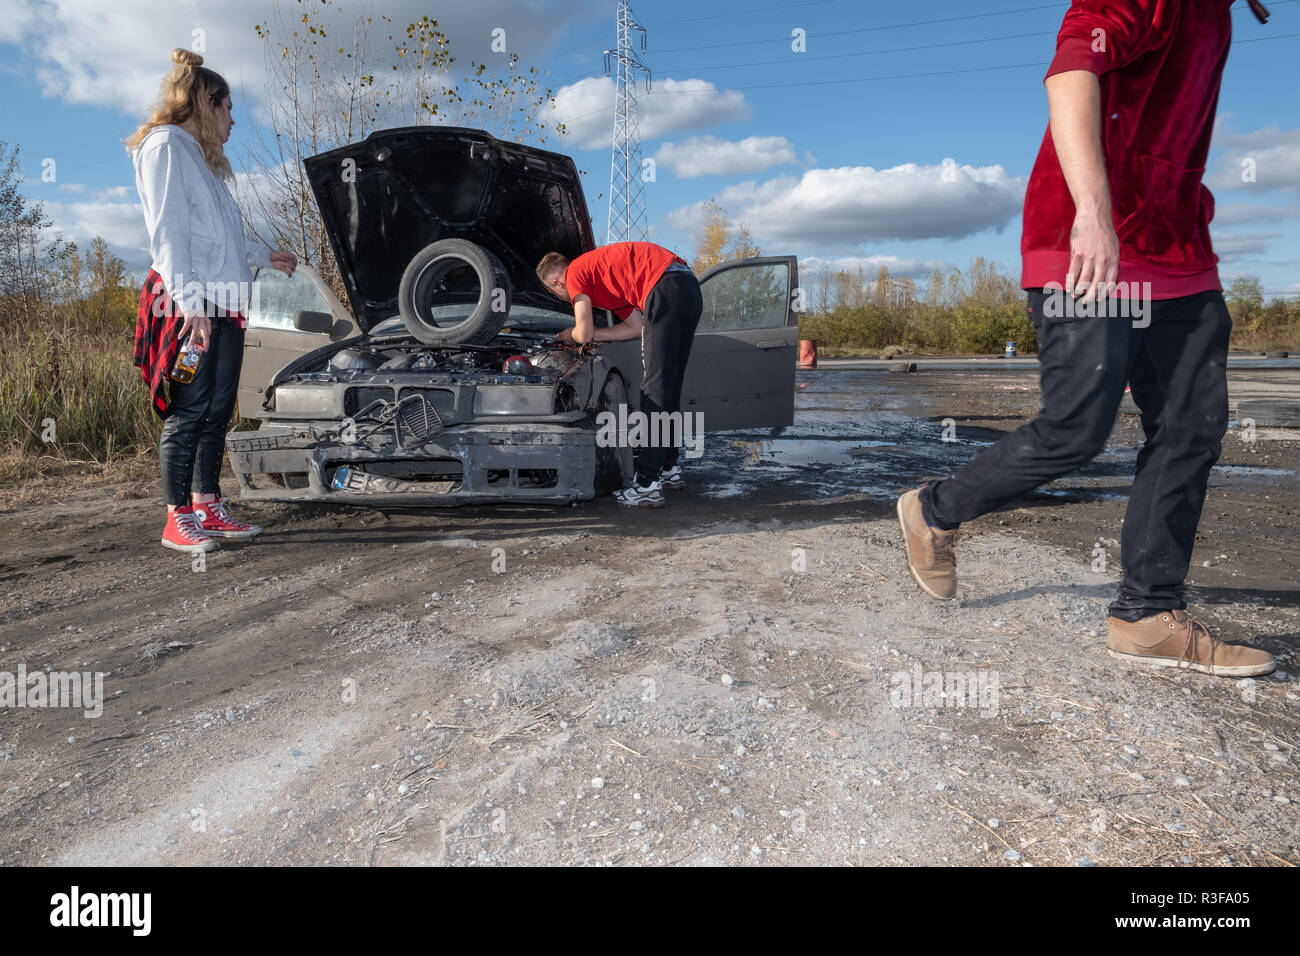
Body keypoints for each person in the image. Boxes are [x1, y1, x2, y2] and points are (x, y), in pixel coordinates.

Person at [896, 0, 1275, 678]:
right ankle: (934, 509)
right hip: (1086, 246)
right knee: (1076, 428)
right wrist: (1095, 216)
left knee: (1192, 429)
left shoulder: (1218, 12)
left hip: (1180, 251)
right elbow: (1071, 73)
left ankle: (1147, 616)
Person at [127, 49, 298, 553]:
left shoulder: (202, 163)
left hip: (224, 303)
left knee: (218, 408)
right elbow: (169, 237)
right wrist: (190, 306)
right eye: (226, 107)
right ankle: (176, 517)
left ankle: (206, 503)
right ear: (205, 103)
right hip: (187, 304)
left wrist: (264, 255)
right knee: (190, 407)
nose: (233, 119)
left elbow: (220, 242)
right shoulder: (165, 148)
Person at [537, 241, 702, 508]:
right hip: (687, 287)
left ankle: (647, 484)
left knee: (654, 391)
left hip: (663, 286)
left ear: (557, 283)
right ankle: (669, 468)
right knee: (668, 387)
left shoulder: (574, 273)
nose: (564, 297)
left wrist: (570, 335)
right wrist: (593, 335)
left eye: (558, 295)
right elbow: (635, 328)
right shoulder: (606, 285)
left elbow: (583, 330)